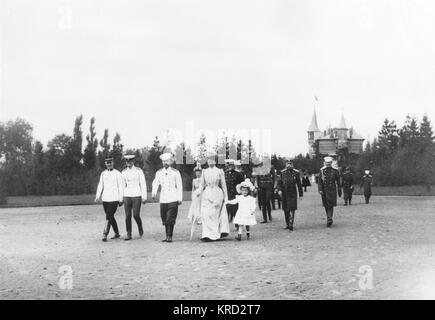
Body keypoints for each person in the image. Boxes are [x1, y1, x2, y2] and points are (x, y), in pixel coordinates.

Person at [196, 157, 230, 241]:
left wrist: (226, 197)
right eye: (209, 160)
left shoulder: (219, 171)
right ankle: (206, 234)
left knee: (214, 214)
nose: (210, 162)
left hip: (217, 193)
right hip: (207, 193)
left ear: (215, 161)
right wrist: (199, 191)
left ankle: (214, 234)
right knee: (206, 213)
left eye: (212, 160)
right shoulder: (205, 171)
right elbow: (201, 184)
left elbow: (223, 185)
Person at [151, 152, 183, 243]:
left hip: (173, 197)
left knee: (170, 217)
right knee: (164, 217)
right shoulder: (159, 173)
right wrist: (154, 193)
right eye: (164, 161)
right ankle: (167, 236)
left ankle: (170, 236)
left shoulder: (176, 172)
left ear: (170, 162)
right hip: (163, 197)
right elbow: (155, 183)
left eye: (167, 161)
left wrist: (180, 198)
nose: (165, 163)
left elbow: (179, 186)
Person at [95, 156, 124, 242]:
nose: (109, 164)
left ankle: (105, 234)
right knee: (110, 217)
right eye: (107, 163)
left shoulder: (118, 173)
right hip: (105, 199)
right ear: (105, 163)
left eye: (110, 162)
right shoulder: (103, 173)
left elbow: (121, 187)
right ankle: (117, 233)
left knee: (108, 216)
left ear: (113, 163)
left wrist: (121, 199)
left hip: (114, 199)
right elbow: (100, 185)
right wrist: (97, 196)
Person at [121, 154, 147, 241]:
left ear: (133, 161)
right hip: (127, 194)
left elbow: (143, 184)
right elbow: (122, 186)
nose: (128, 162)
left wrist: (144, 197)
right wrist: (121, 198)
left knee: (136, 215)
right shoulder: (123, 172)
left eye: (130, 160)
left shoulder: (139, 171)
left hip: (136, 194)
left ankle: (140, 226)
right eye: (127, 161)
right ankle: (129, 233)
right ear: (125, 162)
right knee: (127, 215)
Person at [277, 159, 303, 231]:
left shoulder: (296, 173)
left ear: (292, 165)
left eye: (290, 164)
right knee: (285, 209)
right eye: (287, 164)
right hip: (284, 193)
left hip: (292, 193)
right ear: (285, 165)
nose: (289, 165)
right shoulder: (282, 173)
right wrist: (279, 190)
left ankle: (291, 223)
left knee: (292, 208)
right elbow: (279, 183)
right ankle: (287, 224)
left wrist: (301, 194)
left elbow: (299, 184)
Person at [318, 156, 342, 227]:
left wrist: (339, 190)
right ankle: (329, 217)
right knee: (326, 205)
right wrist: (320, 189)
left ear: (331, 163)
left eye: (329, 163)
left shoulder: (335, 170)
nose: (328, 164)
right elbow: (319, 181)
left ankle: (329, 218)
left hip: (332, 190)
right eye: (326, 163)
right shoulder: (322, 170)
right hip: (324, 190)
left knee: (330, 204)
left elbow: (338, 181)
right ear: (324, 163)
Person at [224, 159, 244, 224]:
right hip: (227, 195)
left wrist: (241, 193)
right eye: (229, 165)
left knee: (235, 210)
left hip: (235, 194)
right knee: (227, 211)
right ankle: (225, 227)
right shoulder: (225, 174)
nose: (230, 166)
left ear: (234, 166)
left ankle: (237, 225)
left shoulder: (238, 174)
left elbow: (242, 184)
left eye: (232, 165)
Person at [188, 164, 203, 240]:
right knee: (195, 206)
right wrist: (192, 196)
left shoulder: (203, 180)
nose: (198, 173)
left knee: (201, 206)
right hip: (195, 195)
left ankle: (200, 218)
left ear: (201, 173)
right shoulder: (194, 180)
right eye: (197, 172)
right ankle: (196, 217)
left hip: (201, 195)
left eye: (199, 172)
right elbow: (193, 189)